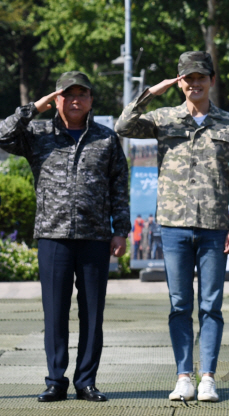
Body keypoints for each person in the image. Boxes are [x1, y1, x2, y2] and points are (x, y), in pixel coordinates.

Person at [115, 51, 229, 402]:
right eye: (187, 78)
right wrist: (150, 94)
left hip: (215, 227)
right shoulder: (164, 118)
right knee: (179, 304)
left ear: (212, 81)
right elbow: (123, 126)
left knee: (210, 305)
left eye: (200, 77)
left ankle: (207, 377)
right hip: (174, 226)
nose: (194, 84)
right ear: (179, 82)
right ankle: (183, 375)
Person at [0, 71, 130, 402]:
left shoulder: (105, 138)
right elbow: (2, 135)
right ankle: (56, 380)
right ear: (56, 98)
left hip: (96, 236)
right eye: (67, 94)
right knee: (55, 312)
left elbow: (119, 186)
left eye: (82, 94)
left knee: (92, 313)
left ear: (90, 100)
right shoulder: (38, 134)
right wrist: (33, 108)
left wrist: (121, 231)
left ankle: (86, 380)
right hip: (52, 235)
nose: (75, 100)